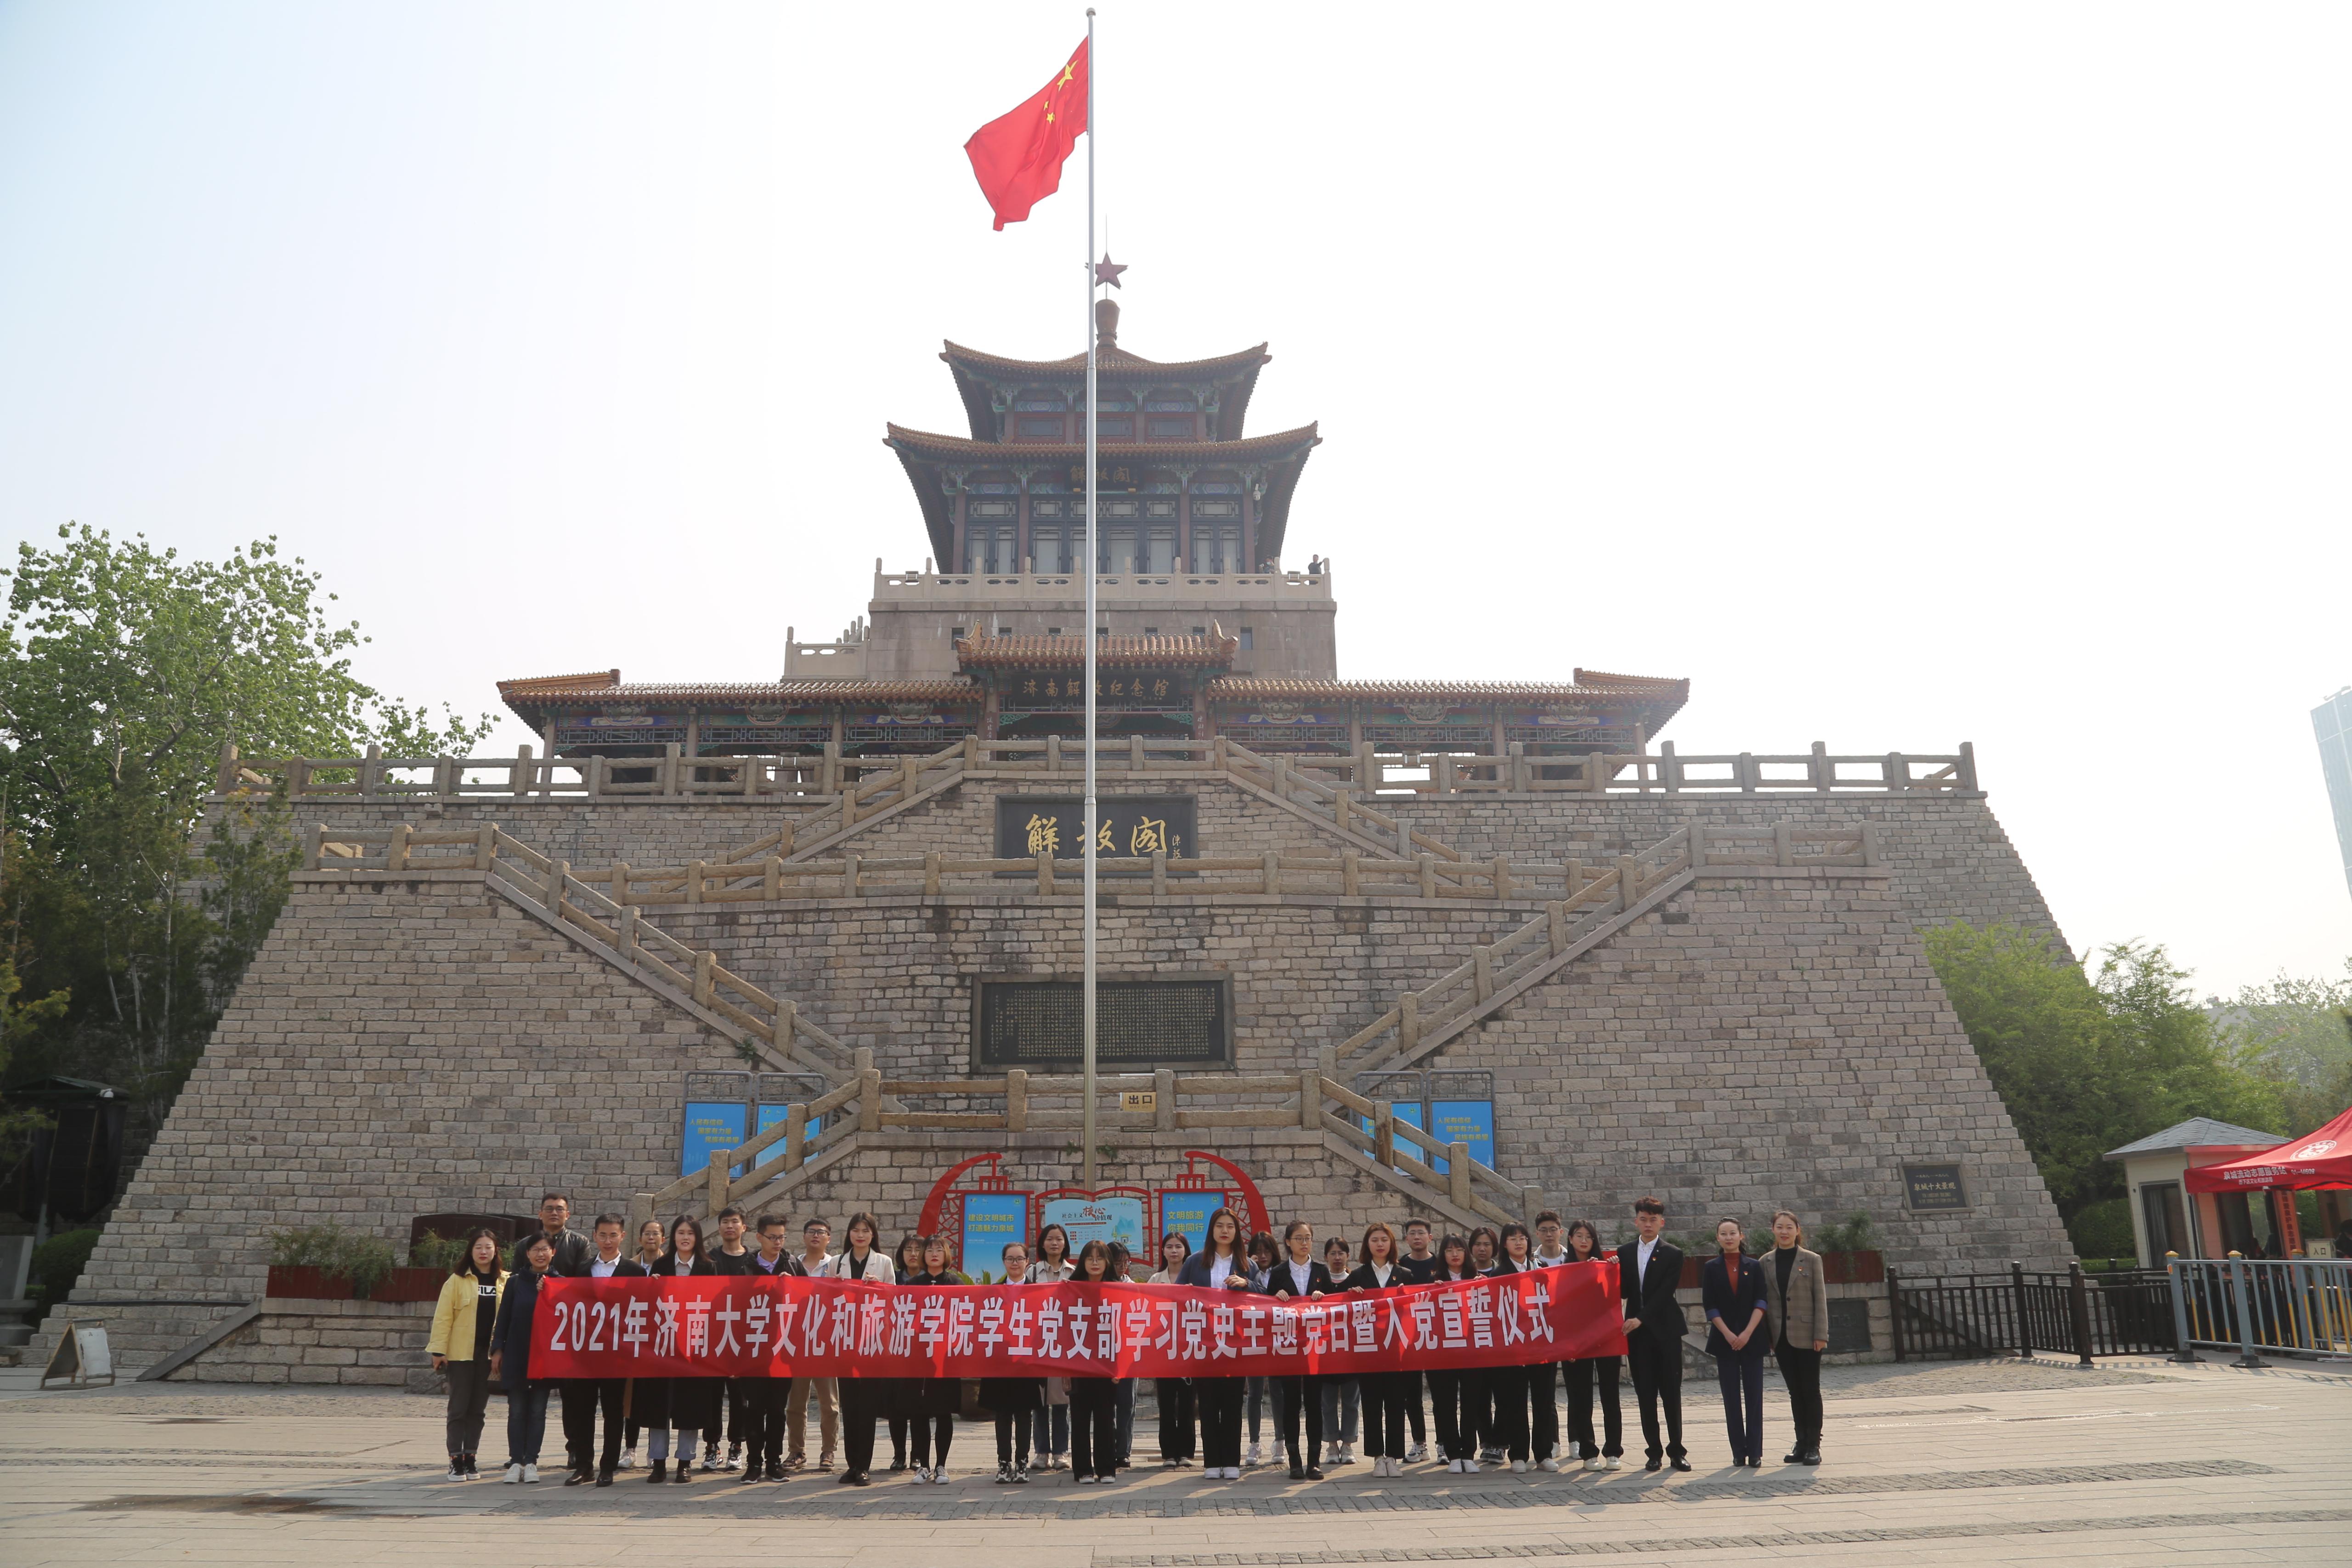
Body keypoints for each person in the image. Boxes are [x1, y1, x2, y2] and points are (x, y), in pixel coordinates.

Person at [1174, 1207, 1254, 1479]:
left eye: (1230, 1226)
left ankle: (1231, 1461)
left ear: (1237, 1232)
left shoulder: (1246, 1264)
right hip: (1204, 1343)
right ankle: (1211, 1462)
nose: (1225, 1231)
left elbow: (1264, 1296)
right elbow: (1177, 1296)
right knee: (1207, 1404)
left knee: (1232, 1404)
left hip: (1236, 1344)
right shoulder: (1195, 1261)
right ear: (1212, 1230)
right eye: (1220, 1226)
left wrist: (1246, 1284)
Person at [645, 1216, 721, 1483]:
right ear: (673, 1237)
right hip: (664, 1346)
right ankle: (658, 1462)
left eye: (690, 1233)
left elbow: (714, 1305)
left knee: (690, 1405)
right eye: (680, 1233)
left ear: (697, 1237)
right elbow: (650, 1304)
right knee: (659, 1404)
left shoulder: (708, 1266)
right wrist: (651, 1284)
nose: (685, 1238)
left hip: (694, 1347)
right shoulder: (661, 1265)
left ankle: (685, 1462)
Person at [425, 1227, 505, 1481]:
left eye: (488, 1247)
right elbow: (443, 1317)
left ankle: (470, 1457)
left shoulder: (505, 1281)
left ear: (496, 1251)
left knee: (478, 1410)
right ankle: (455, 1460)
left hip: (489, 1356)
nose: (483, 1252)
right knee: (458, 1408)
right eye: (478, 1247)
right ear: (470, 1251)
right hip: (460, 1354)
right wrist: (438, 1350)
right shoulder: (457, 1281)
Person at [572, 1213, 646, 1487]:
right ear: (594, 1236)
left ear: (622, 1237)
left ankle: (608, 1467)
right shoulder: (582, 1269)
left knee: (613, 1412)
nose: (607, 1240)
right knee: (583, 1411)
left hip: (617, 1353)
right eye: (602, 1235)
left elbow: (643, 1308)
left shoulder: (634, 1272)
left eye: (613, 1235)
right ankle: (584, 1466)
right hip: (586, 1352)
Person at [1618, 1197, 1690, 1472]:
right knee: (1645, 1394)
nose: (1648, 1225)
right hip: (1638, 1337)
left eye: (1653, 1220)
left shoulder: (1673, 1253)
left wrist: (1640, 1318)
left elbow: (1664, 1294)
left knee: (1671, 1393)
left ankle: (1677, 1451)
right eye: (1643, 1220)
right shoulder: (1625, 1252)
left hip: (1666, 1332)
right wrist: (1609, 1268)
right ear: (1636, 1222)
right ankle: (1654, 1452)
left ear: (1662, 1222)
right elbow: (1623, 1290)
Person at [1263, 1219, 1335, 1480]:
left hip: (1315, 1346)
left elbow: (1334, 1305)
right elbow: (1266, 1308)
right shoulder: (1279, 1273)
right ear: (1288, 1242)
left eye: (1308, 1238)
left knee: (1315, 1403)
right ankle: (1294, 1461)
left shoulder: (1321, 1271)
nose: (1304, 1243)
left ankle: (1314, 1462)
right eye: (1299, 1239)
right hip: (1289, 1346)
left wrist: (1323, 1298)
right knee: (1291, 1404)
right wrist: (1277, 1298)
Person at [1341, 1222, 1412, 1477]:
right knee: (1371, 1404)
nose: (1380, 1244)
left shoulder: (1405, 1274)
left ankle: (1393, 1456)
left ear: (1392, 1243)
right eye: (1375, 1240)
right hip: (1368, 1350)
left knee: (1396, 1404)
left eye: (1384, 1240)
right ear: (1367, 1245)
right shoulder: (1358, 1276)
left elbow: (1417, 1309)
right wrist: (1351, 1295)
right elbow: (1342, 1308)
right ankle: (1377, 1457)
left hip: (1396, 1350)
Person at [487, 1232, 559, 1483]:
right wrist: (498, 1350)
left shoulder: (561, 1283)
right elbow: (504, 1318)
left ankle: (532, 1462)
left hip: (544, 1357)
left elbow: (564, 1318)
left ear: (553, 1253)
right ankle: (516, 1461)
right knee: (516, 1410)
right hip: (517, 1353)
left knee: (538, 1411)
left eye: (545, 1249)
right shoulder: (515, 1283)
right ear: (528, 1254)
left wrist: (548, 1293)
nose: (540, 1254)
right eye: (535, 1250)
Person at [833, 1211, 897, 1486]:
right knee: (849, 1406)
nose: (860, 1235)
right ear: (849, 1234)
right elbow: (825, 1300)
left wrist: (878, 1287)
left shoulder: (883, 1262)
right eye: (856, 1230)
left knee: (868, 1406)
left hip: (873, 1342)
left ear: (873, 1235)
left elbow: (894, 1298)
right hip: (845, 1341)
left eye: (866, 1231)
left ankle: (864, 1466)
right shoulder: (836, 1262)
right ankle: (851, 1464)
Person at [1760, 1210, 1828, 1466]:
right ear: (1773, 1230)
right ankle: (1800, 1443)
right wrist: (1768, 1336)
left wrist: (1821, 1334)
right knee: (1794, 1392)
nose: (1784, 1232)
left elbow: (1820, 1298)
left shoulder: (1811, 1259)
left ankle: (1814, 1445)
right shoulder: (1765, 1262)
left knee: (1810, 1390)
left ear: (1798, 1230)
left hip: (1808, 1335)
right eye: (1780, 1227)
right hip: (1780, 1337)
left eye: (1789, 1227)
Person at [1702, 1217, 1769, 1467]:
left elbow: (1761, 1301)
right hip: (1725, 1341)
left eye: (1733, 1233)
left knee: (1754, 1397)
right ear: (1718, 1238)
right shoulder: (1711, 1268)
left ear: (1741, 1236)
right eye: (1724, 1234)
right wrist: (1729, 1334)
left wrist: (1748, 1333)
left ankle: (1755, 1452)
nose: (1728, 1238)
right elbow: (1710, 1305)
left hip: (1752, 1339)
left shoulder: (1755, 1266)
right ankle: (1738, 1451)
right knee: (1731, 1398)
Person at [734, 1213, 795, 1483]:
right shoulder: (745, 1269)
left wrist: (792, 1286)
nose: (778, 1242)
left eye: (782, 1237)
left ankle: (774, 1462)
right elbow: (733, 1309)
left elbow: (810, 1301)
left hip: (783, 1350)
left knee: (778, 1410)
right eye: (772, 1237)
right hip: (752, 1351)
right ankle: (754, 1463)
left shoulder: (792, 1265)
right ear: (759, 1237)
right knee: (755, 1409)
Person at [1560, 1218, 1623, 1471]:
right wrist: (1567, 1344)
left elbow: (1616, 1296)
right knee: (1581, 1397)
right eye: (1579, 1236)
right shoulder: (1563, 1271)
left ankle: (1613, 1451)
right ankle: (1588, 1452)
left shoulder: (1605, 1265)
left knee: (1611, 1396)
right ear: (1571, 1239)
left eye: (1589, 1236)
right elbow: (1559, 1309)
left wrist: (1610, 1269)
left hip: (1606, 1337)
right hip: (1577, 1341)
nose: (1584, 1240)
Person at [981, 1240, 1041, 1484]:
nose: (1015, 1263)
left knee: (1024, 1415)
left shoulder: (1038, 1292)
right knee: (1003, 1415)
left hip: (1027, 1362)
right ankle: (1004, 1463)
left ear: (1027, 1262)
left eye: (1019, 1259)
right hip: (1000, 1362)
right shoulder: (992, 1292)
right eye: (1010, 1259)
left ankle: (1022, 1462)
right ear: (1004, 1262)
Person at [1484, 1222, 1540, 1473]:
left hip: (1539, 1344)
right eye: (1513, 1238)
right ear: (1504, 1245)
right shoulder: (1498, 1275)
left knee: (1544, 1402)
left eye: (1523, 1238)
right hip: (1512, 1347)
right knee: (1515, 1402)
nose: (1519, 1242)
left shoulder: (1541, 1269)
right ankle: (1518, 1454)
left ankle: (1544, 1453)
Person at [1426, 1233, 1484, 1473]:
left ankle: (1469, 1453)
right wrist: (1431, 1291)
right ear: (1443, 1255)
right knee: (1444, 1404)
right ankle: (1453, 1455)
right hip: (1442, 1352)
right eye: (1449, 1250)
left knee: (1471, 1402)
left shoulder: (1478, 1279)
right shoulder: (1433, 1280)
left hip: (1471, 1351)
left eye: (1459, 1250)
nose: (1455, 1254)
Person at [785, 1217, 838, 1473]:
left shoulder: (836, 1265)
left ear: (829, 1238)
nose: (816, 1236)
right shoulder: (792, 1264)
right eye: (811, 1232)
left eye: (821, 1232)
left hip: (826, 1341)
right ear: (804, 1236)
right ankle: (796, 1451)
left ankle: (829, 1450)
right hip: (798, 1341)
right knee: (796, 1403)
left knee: (830, 1403)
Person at [704, 1206, 755, 1473]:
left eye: (735, 1222)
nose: (730, 1226)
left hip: (743, 1337)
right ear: (720, 1227)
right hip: (714, 1336)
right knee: (712, 1395)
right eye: (725, 1222)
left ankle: (737, 1446)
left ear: (744, 1228)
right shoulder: (709, 1260)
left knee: (740, 1398)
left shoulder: (753, 1261)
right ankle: (712, 1447)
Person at [1067, 1241, 1122, 1484]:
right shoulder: (1071, 1290)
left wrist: (1121, 1366)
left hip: (1107, 1365)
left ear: (1108, 1261)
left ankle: (1107, 1468)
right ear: (1083, 1262)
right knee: (1079, 1419)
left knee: (1105, 1419)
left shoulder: (1118, 1291)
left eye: (1100, 1258)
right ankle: (1083, 1470)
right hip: (1078, 1363)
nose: (1095, 1263)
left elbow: (1125, 1331)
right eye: (1090, 1258)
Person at [616, 1217, 667, 1471]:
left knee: (657, 1396)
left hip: (661, 1338)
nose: (651, 1237)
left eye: (656, 1234)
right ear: (639, 1239)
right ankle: (630, 1448)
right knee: (632, 1396)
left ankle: (655, 1451)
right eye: (647, 1233)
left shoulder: (670, 1266)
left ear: (663, 1239)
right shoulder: (628, 1267)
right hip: (633, 1337)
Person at [1024, 1224, 1075, 1471]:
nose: (1055, 1243)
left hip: (1065, 1342)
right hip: (1038, 1342)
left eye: (1059, 1239)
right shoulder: (1032, 1271)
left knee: (1062, 1399)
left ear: (1065, 1244)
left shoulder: (1074, 1272)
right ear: (1042, 1244)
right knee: (1039, 1401)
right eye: (1050, 1239)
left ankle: (1061, 1453)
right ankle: (1042, 1452)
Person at [1147, 1230, 1199, 1468]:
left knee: (1188, 1403)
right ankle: (1168, 1452)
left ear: (1186, 1251)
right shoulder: (1155, 1280)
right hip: (1163, 1349)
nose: (1174, 1251)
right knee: (1166, 1403)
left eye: (1179, 1246)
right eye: (1170, 1247)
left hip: (1189, 1349)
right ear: (1163, 1251)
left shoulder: (1196, 1279)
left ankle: (1186, 1452)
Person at [883, 1232, 929, 1472]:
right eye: (908, 1249)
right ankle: (899, 1454)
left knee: (919, 1406)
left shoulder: (930, 1281)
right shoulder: (892, 1278)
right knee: (896, 1406)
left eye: (918, 1250)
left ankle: (917, 1455)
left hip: (921, 1349)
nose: (913, 1254)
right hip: (895, 1348)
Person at [1527, 1211, 1568, 1471]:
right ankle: (1549, 1442)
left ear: (1561, 1232)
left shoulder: (1572, 1260)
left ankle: (1572, 1440)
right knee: (1544, 1393)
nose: (1549, 1234)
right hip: (1540, 1333)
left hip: (1569, 1331)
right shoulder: (1531, 1263)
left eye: (1553, 1229)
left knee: (1572, 1390)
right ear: (1537, 1234)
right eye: (1544, 1230)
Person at [1396, 1219, 1439, 1462]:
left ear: (1430, 1237)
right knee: (1412, 1395)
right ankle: (1420, 1444)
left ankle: (1444, 1443)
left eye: (1421, 1233)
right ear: (1406, 1239)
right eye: (1412, 1233)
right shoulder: (1400, 1267)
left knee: (1440, 1394)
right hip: (1409, 1337)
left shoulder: (1440, 1265)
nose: (1417, 1237)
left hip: (1437, 1336)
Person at [1318, 1234, 1362, 1465]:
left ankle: (1348, 1445)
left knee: (1351, 1402)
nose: (1337, 1258)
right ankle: (1332, 1445)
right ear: (1326, 1256)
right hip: (1324, 1350)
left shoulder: (1356, 1281)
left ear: (1348, 1256)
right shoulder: (1319, 1281)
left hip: (1350, 1350)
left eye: (1341, 1253)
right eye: (1333, 1253)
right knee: (1327, 1402)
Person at [1465, 1226, 1502, 1464]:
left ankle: (1500, 1443)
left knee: (1502, 1396)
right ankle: (1486, 1441)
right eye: (1478, 1244)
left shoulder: (1503, 1273)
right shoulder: (1464, 1274)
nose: (1482, 1249)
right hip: (1473, 1345)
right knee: (1479, 1398)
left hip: (1500, 1344)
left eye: (1487, 1244)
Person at [1241, 1230, 1278, 1466]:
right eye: (1258, 1252)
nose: (1263, 1256)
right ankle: (1254, 1442)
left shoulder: (1282, 1272)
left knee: (1277, 1392)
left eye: (1267, 1251)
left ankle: (1280, 1440)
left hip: (1277, 1337)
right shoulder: (1245, 1272)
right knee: (1254, 1393)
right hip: (1252, 1336)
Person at [1106, 1240, 1139, 1468]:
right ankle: (1107, 1447)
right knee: (1106, 1405)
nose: (1123, 1267)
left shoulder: (1133, 1286)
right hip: (1104, 1352)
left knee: (1127, 1403)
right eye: (1118, 1263)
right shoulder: (1098, 1286)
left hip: (1128, 1351)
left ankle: (1123, 1451)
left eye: (1126, 1262)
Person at [514, 1191, 591, 1275]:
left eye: (560, 1209)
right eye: (549, 1209)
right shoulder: (525, 1244)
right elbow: (517, 1276)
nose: (554, 1213)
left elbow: (583, 1277)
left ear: (567, 1215)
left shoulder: (580, 1242)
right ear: (541, 1214)